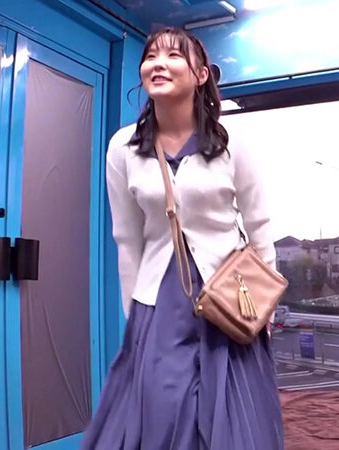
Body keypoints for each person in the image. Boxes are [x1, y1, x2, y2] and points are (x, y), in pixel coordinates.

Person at [80, 27, 284, 450]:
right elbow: (127, 239)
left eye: (174, 56)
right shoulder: (122, 148)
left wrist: (263, 306)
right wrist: (134, 317)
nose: (158, 64)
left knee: (233, 419)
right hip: (158, 303)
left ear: (201, 74)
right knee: (162, 411)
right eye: (151, 56)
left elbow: (259, 225)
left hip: (229, 298)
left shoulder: (232, 143)